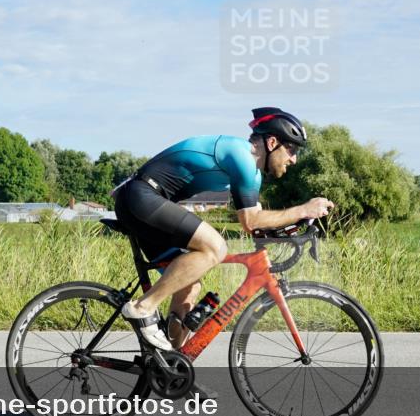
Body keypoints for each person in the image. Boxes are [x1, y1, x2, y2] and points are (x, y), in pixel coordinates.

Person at [113, 107, 334, 351]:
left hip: (143, 201)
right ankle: (142, 307)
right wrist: (303, 210)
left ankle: (171, 363)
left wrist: (293, 227)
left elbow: (258, 223)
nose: (294, 159)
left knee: (189, 284)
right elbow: (250, 221)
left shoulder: (253, 174)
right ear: (272, 142)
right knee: (215, 247)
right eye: (291, 150)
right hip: (141, 195)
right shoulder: (241, 155)